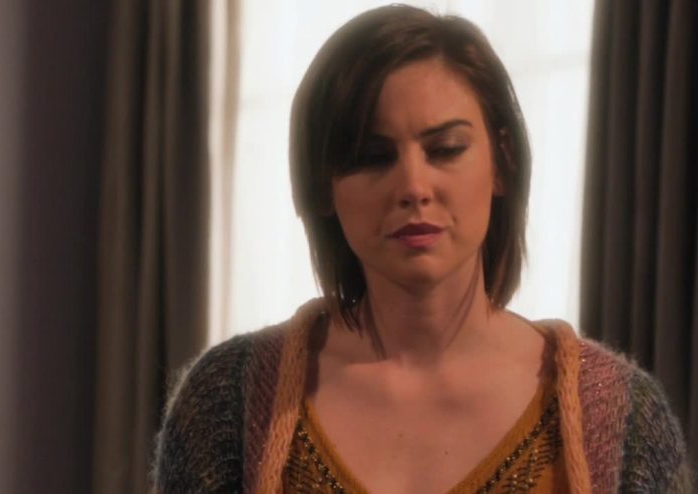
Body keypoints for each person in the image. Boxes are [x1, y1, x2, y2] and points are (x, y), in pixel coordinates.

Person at [153, 5, 691, 493]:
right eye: (372, 157)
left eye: (446, 149)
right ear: (323, 187)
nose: (413, 186)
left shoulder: (622, 419)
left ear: (502, 162)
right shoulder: (227, 403)